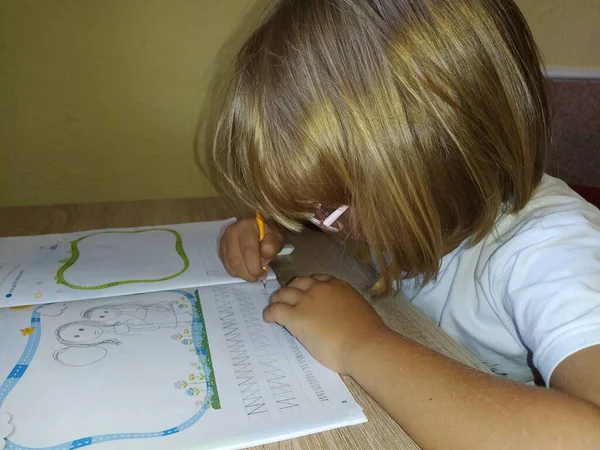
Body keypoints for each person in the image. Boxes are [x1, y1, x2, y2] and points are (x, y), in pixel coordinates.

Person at [212, 0, 600, 447]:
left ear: (438, 156)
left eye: (334, 205)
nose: (324, 222)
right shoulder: (426, 203)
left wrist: (361, 344)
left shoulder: (553, 250)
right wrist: (273, 228)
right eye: (310, 206)